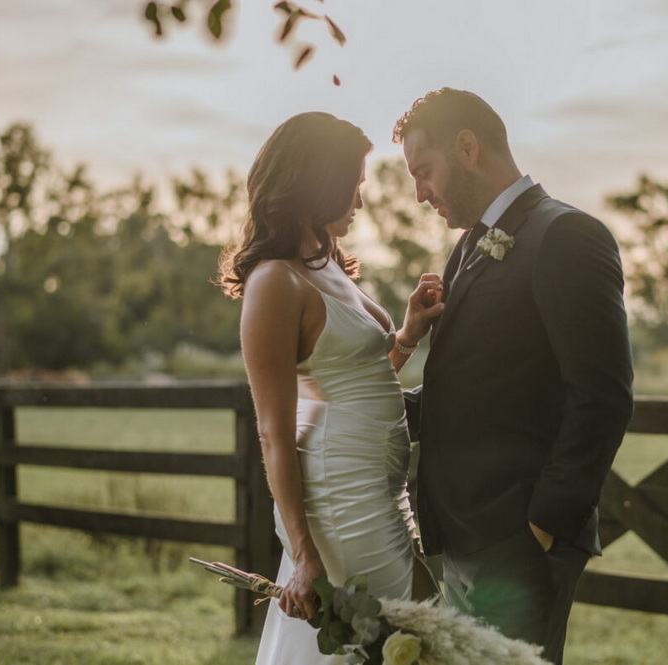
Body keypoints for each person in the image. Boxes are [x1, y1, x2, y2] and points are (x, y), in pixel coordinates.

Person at [394, 88, 635, 664]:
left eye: (424, 172)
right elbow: (483, 387)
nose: (420, 193)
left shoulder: (567, 236)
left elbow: (601, 397)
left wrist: (542, 529)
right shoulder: (468, 247)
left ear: (468, 148)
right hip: (462, 535)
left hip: (517, 541)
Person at [218, 111, 443, 664]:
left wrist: (407, 334)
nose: (359, 203)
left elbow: (354, 383)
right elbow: (273, 432)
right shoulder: (274, 281)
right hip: (341, 504)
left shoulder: (327, 267)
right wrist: (303, 555)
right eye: (353, 187)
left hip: (381, 493)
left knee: (410, 640)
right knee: (405, 641)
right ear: (316, 183)